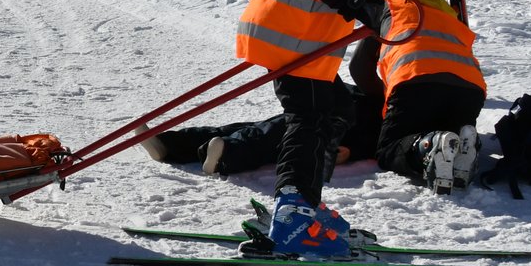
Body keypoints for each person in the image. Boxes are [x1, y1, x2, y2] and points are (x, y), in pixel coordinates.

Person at [232, 0, 423, 259]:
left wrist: (361, 3)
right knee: (312, 116)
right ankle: (294, 214)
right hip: (293, 37)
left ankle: (305, 208)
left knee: (337, 108)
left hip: (294, 36)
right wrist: (357, 3)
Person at [348, 0, 485, 193]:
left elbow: (359, 69)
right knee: (452, 134)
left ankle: (427, 146)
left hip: (414, 81)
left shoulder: (390, 8)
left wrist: (385, 98)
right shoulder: (450, 18)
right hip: (471, 90)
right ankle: (465, 148)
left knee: (388, 149)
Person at [140, 80, 380, 177]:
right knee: (271, 128)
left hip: (360, 122)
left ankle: (228, 152)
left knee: (285, 131)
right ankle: (173, 145)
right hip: (362, 112)